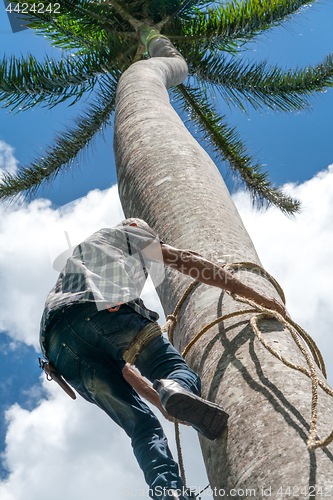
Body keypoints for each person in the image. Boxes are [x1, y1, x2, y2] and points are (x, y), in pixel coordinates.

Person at [39, 218, 285, 500]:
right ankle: (179, 385)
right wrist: (256, 296)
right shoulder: (128, 234)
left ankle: (169, 492)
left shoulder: (78, 261)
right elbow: (186, 260)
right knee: (173, 369)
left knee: (141, 428)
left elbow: (122, 367)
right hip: (106, 310)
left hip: (59, 349)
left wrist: (165, 403)